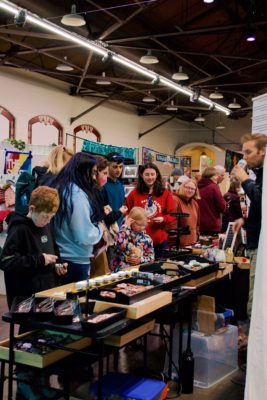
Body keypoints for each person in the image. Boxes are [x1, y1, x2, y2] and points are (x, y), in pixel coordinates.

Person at [0, 186, 67, 309]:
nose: (47, 221)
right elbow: (6, 261)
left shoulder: (46, 224)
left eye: (51, 217)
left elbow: (54, 250)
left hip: (48, 291)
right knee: (29, 327)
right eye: (45, 217)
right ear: (32, 208)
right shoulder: (19, 229)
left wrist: (59, 265)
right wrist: (40, 260)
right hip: (27, 297)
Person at [50, 152, 103, 283]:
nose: (94, 177)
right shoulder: (77, 194)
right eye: (93, 172)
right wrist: (100, 229)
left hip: (59, 257)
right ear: (84, 171)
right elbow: (83, 234)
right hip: (75, 259)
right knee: (74, 302)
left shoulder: (60, 187)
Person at [232, 133, 267, 318]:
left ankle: (255, 345)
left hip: (261, 247)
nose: (244, 157)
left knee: (256, 301)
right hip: (256, 243)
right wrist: (246, 221)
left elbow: (263, 200)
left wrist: (245, 179)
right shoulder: (261, 174)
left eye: (248, 152)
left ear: (263, 151)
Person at [125, 163, 175, 259]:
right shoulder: (134, 193)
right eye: (147, 174)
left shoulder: (165, 193)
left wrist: (163, 218)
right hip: (138, 240)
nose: (150, 177)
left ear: (157, 175)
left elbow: (172, 214)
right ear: (141, 175)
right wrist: (130, 221)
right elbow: (127, 211)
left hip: (159, 240)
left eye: (152, 174)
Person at [112, 207, 154, 271]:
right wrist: (125, 227)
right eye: (139, 225)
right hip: (120, 271)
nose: (142, 228)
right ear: (131, 222)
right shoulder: (123, 233)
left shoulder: (147, 239)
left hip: (138, 272)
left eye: (144, 225)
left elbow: (151, 257)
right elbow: (118, 244)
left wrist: (141, 259)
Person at [168, 179, 200, 248]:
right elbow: (172, 223)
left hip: (192, 243)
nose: (190, 190)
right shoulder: (175, 200)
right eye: (187, 187)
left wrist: (197, 236)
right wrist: (174, 241)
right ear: (182, 187)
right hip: (178, 245)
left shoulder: (194, 203)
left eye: (192, 189)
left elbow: (197, 223)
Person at [197, 167, 226, 235]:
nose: (217, 177)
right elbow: (222, 206)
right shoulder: (213, 187)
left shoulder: (197, 186)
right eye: (216, 175)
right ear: (211, 176)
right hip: (212, 224)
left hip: (198, 224)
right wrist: (226, 206)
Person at [103, 152, 125, 226]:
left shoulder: (121, 185)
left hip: (121, 227)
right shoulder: (103, 185)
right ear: (107, 166)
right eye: (115, 167)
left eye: (120, 167)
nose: (118, 170)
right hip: (109, 227)